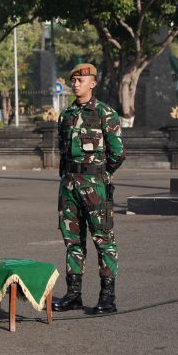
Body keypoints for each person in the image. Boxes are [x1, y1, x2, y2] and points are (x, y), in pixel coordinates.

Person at [52, 63, 125, 314]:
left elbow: (117, 153)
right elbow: (63, 150)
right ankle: (73, 294)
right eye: (73, 80)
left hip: (95, 187)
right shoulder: (66, 114)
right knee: (72, 240)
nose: (75, 84)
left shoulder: (105, 113)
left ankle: (107, 297)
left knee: (103, 240)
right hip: (69, 185)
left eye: (80, 81)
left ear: (92, 83)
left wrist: (101, 176)